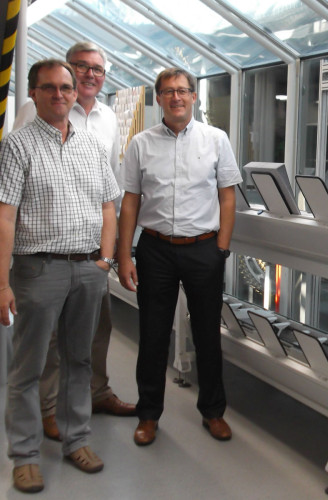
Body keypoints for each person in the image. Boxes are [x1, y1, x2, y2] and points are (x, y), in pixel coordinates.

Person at [0, 59, 120, 493]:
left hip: (87, 269)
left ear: (76, 93)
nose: (60, 94)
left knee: (79, 361)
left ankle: (76, 440)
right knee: (28, 367)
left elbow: (109, 205)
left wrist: (104, 261)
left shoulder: (90, 145)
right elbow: (6, 217)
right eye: (49, 88)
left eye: (66, 87)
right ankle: (25, 456)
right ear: (33, 93)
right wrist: (2, 283)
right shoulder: (18, 146)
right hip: (38, 269)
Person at [13, 42, 135, 443]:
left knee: (97, 330)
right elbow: (16, 189)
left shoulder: (107, 119)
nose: (89, 75)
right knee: (48, 339)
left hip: (90, 256)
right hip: (45, 256)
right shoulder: (36, 112)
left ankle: (96, 393)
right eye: (81, 67)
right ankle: (49, 409)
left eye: (97, 69)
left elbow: (110, 197)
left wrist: (108, 257)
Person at [117, 67, 242, 446]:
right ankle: (149, 415)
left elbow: (227, 195)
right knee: (153, 334)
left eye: (183, 91)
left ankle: (213, 412)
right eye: (168, 91)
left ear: (194, 97)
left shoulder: (216, 139)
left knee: (207, 335)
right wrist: (124, 255)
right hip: (155, 250)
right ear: (158, 98)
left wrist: (221, 247)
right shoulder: (141, 143)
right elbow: (130, 201)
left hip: (204, 249)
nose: (176, 97)